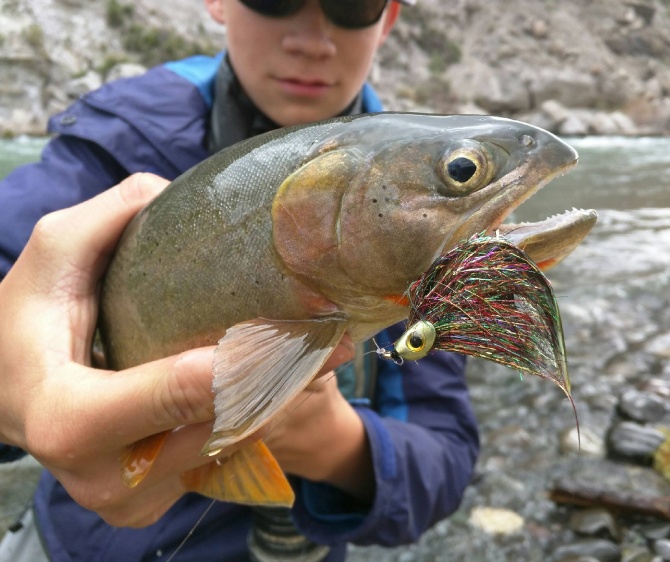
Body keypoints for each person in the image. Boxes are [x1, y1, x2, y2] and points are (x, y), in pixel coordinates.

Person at [0, 1, 480, 560]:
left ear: (389, 18)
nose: (311, 38)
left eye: (351, 4)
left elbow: (442, 456)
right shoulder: (115, 141)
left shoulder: (425, 206)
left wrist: (328, 444)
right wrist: (14, 407)